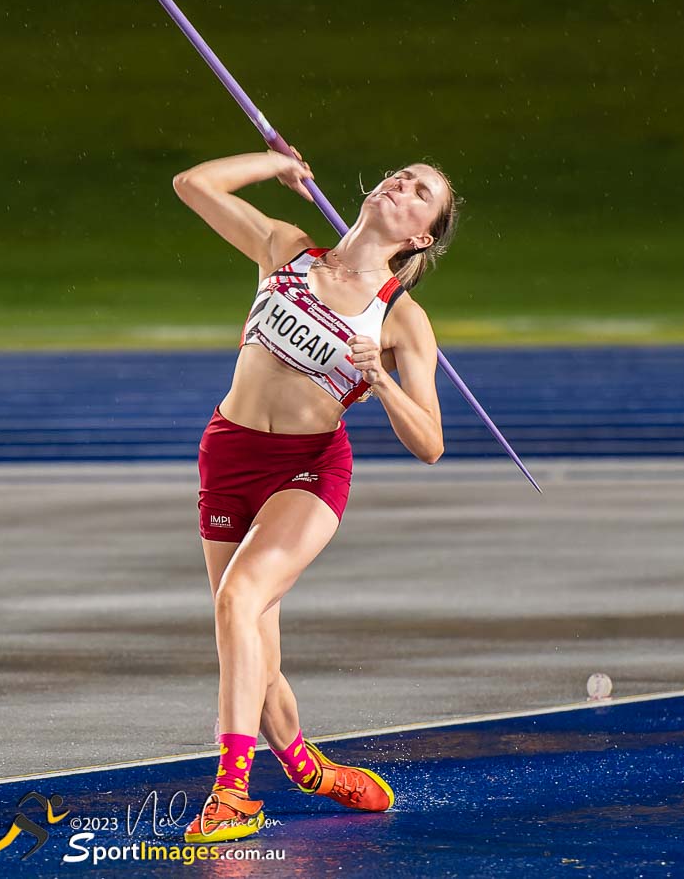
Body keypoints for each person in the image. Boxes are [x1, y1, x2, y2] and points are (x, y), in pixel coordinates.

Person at [173, 148, 458, 844]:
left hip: (308, 469)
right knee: (251, 643)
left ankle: (233, 794)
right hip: (229, 452)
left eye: (421, 191)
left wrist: (383, 381)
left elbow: (430, 442)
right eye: (401, 173)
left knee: (239, 602)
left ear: (421, 235)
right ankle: (310, 770)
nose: (402, 183)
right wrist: (271, 164)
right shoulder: (286, 249)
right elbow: (192, 185)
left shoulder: (401, 319)